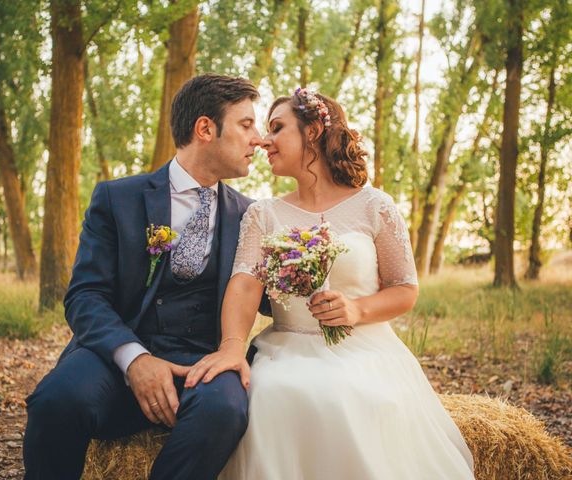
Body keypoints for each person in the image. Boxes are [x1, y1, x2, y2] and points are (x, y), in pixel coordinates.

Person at [186, 89, 475, 479]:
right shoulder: (263, 214)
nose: (263, 140)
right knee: (274, 395)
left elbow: (405, 289)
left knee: (347, 395)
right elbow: (244, 283)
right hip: (284, 349)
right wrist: (232, 347)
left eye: (277, 128)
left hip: (364, 349)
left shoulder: (375, 206)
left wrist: (357, 309)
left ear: (314, 131)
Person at [23, 74, 266, 480]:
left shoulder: (252, 216)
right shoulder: (117, 198)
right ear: (205, 128)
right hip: (116, 355)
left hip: (203, 363)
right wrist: (134, 360)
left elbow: (269, 300)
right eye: (246, 124)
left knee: (224, 409)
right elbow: (84, 296)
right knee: (56, 400)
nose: (257, 138)